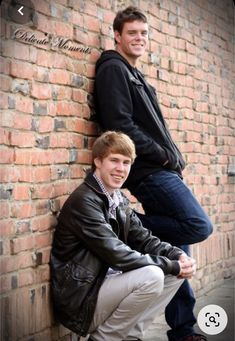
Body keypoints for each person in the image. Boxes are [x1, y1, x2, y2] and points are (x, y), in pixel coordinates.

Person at [94, 7, 213, 341]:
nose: (140, 39)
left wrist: (173, 155)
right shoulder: (113, 69)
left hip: (160, 168)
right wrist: (163, 155)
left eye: (144, 33)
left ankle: (183, 328)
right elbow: (120, 124)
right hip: (149, 171)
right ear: (117, 35)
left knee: (178, 244)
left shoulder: (136, 74)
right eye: (132, 33)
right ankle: (123, 222)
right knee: (198, 225)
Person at [50, 131, 197, 341]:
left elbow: (144, 239)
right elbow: (118, 254)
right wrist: (170, 264)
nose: (121, 168)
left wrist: (177, 255)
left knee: (176, 273)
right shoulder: (85, 201)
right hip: (82, 299)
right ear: (98, 162)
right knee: (154, 275)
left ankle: (131, 337)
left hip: (106, 287)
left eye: (126, 162)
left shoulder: (117, 199)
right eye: (114, 160)